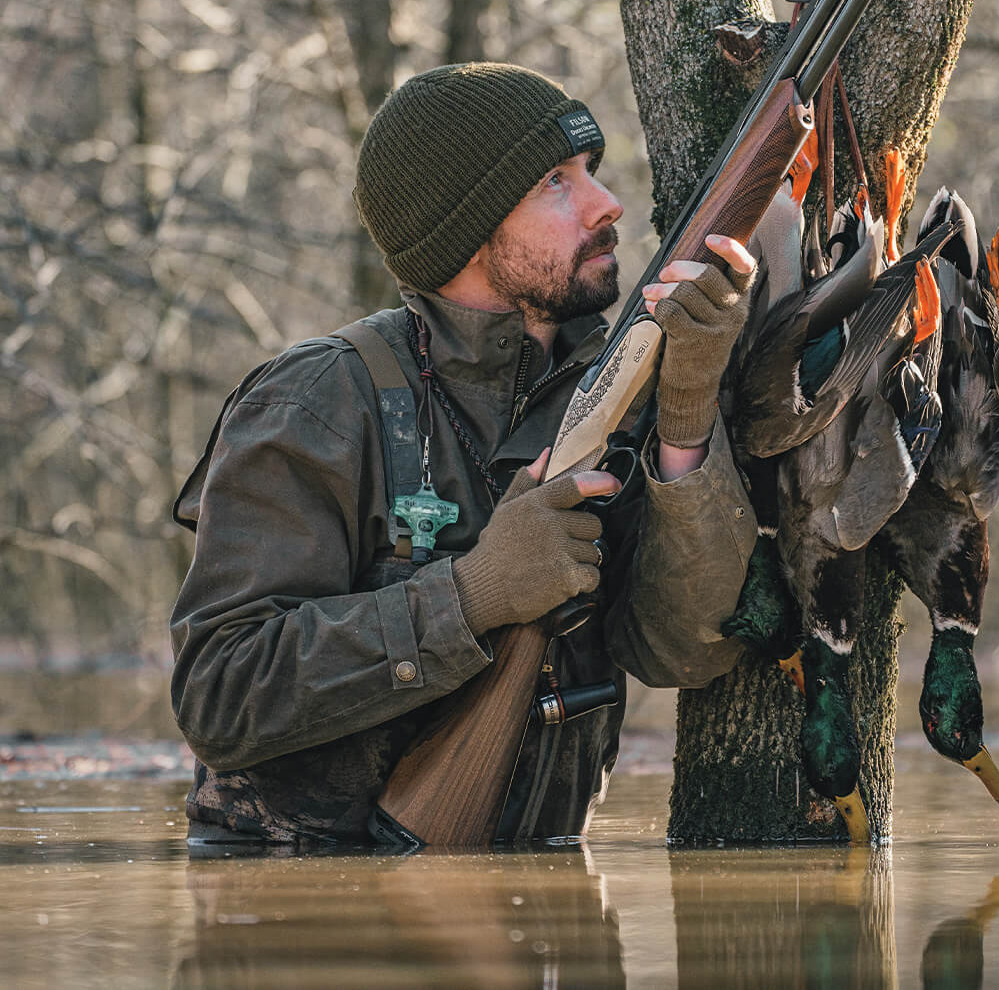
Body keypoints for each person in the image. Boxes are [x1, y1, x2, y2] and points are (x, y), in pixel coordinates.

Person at [170, 62, 759, 847]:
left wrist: (686, 419)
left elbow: (689, 650)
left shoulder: (615, 397)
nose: (606, 202)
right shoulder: (319, 400)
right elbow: (220, 692)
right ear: (470, 228)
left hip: (542, 915)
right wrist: (472, 597)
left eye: (591, 170)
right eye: (556, 181)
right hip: (303, 909)